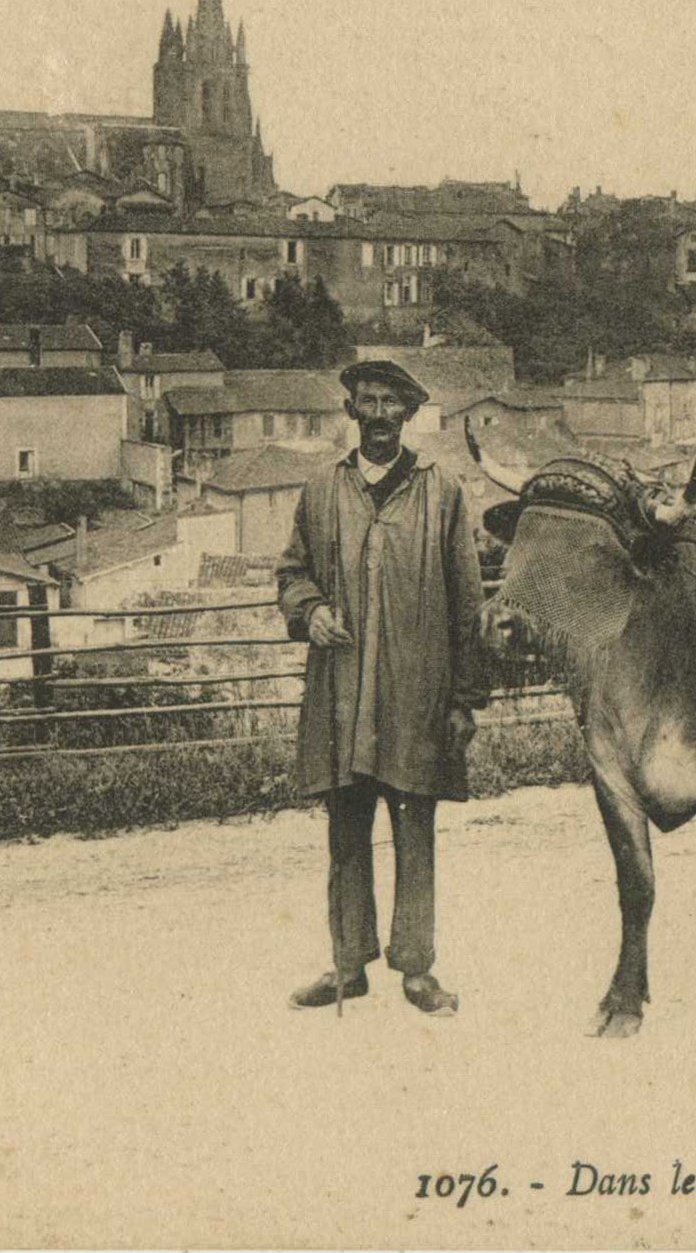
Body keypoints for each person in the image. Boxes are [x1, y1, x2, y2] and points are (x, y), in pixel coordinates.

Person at [278, 359, 488, 1016]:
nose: (376, 415)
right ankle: (348, 965)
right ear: (351, 414)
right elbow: (291, 570)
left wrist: (463, 699)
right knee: (345, 832)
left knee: (413, 831)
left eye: (389, 404)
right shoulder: (319, 491)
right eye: (365, 402)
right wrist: (310, 610)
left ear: (406, 414)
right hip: (341, 695)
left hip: (415, 697)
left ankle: (418, 970)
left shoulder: (443, 493)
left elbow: (468, 604)